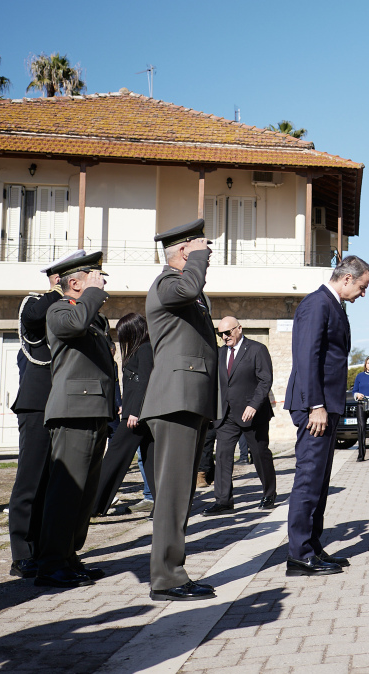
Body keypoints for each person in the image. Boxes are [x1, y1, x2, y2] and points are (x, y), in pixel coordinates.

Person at [139, 220, 220, 601]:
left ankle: (173, 572)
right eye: (202, 247)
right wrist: (197, 259)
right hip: (175, 399)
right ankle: (167, 578)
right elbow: (190, 285)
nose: (208, 252)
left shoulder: (182, 288)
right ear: (184, 252)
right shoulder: (168, 282)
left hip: (189, 398)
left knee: (181, 493)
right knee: (172, 495)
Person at [285, 255, 369, 576]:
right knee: (308, 479)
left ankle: (313, 546)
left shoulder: (333, 305)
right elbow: (307, 358)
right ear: (347, 278)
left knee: (320, 481)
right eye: (362, 287)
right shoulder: (317, 304)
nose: (363, 294)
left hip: (327, 405)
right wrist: (315, 405)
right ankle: (299, 554)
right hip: (315, 408)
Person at [33, 251, 115, 589]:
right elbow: (75, 324)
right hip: (72, 411)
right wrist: (92, 297)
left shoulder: (93, 317)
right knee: (66, 490)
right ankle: (50, 563)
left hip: (94, 409)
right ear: (75, 283)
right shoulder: (60, 309)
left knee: (84, 493)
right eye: (94, 277)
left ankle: (69, 556)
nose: (102, 282)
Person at [7, 250, 82, 579]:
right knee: (31, 479)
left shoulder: (70, 312)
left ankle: (47, 548)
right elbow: (34, 317)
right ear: (58, 278)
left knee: (54, 481)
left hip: (63, 404)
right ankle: (22, 552)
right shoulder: (35, 302)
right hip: (37, 403)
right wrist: (58, 289)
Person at [207, 316, 276, 513]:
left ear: (239, 328)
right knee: (222, 455)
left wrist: (254, 405)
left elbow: (265, 380)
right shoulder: (219, 353)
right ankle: (223, 501)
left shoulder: (257, 349)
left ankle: (269, 493)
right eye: (221, 334)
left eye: (227, 332)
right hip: (226, 415)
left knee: (260, 454)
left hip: (252, 414)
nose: (224, 337)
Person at [92, 312, 155, 518]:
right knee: (149, 460)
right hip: (133, 414)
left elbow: (145, 382)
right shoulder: (141, 349)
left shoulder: (145, 349)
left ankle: (94, 506)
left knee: (113, 458)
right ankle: (161, 503)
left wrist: (134, 412)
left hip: (136, 418)